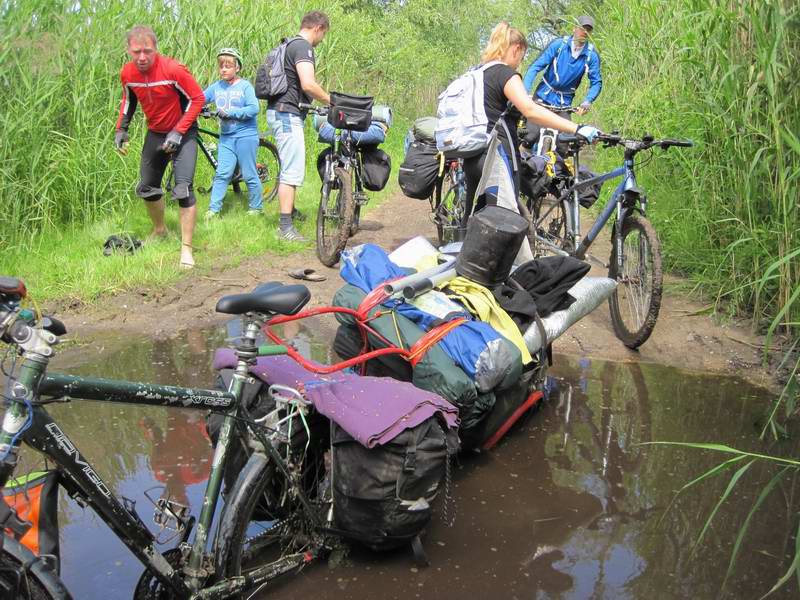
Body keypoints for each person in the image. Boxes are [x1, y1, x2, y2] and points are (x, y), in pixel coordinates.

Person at [462, 21, 600, 217]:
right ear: (516, 49)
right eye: (522, 56)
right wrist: (577, 128)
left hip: (473, 152)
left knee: (474, 213)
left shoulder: (477, 71)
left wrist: (587, 101)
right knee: (504, 217)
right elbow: (531, 110)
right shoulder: (508, 74)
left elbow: (596, 81)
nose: (520, 62)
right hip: (497, 154)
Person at [114, 25, 205, 269]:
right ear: (129, 51)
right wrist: (121, 129)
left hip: (183, 132)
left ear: (156, 49)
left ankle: (186, 249)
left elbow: (197, 98)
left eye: (147, 51)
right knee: (147, 186)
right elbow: (128, 100)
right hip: (155, 132)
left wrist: (178, 131)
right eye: (137, 52)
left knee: (183, 189)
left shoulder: (173, 69)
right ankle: (160, 230)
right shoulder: (127, 73)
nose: (142, 57)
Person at [266, 10, 331, 242]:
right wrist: (331, 101)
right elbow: (308, 84)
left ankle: (290, 209)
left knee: (289, 164)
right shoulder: (303, 47)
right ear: (318, 28)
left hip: (280, 111)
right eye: (323, 34)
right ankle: (285, 228)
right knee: (291, 171)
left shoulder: (288, 44)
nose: (321, 40)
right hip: (287, 114)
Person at [203, 48, 262, 218]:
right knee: (222, 173)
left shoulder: (245, 86)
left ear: (237, 68)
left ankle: (256, 208)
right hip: (226, 137)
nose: (223, 70)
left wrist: (231, 113)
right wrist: (200, 108)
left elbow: (254, 108)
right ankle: (213, 210)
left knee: (249, 173)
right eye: (221, 66)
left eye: (228, 66)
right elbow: (200, 98)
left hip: (246, 135)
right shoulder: (217, 87)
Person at [522, 15, 602, 116]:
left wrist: (587, 101)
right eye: (582, 28)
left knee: (566, 127)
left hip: (564, 104)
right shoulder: (559, 45)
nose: (585, 32)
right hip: (542, 96)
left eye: (588, 30)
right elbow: (535, 67)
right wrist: (525, 91)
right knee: (529, 125)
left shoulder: (591, 55)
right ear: (574, 28)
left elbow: (596, 82)